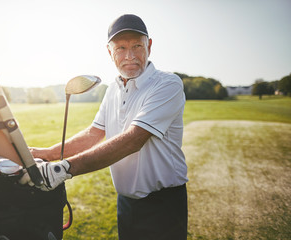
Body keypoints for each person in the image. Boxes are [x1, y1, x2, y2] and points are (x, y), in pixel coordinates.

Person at [20, 14, 188, 240]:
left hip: (163, 205)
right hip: (126, 203)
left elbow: (133, 140)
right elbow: (94, 133)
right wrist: (45, 154)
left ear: (149, 45)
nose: (129, 56)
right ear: (110, 52)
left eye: (137, 46)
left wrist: (64, 168)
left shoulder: (168, 84)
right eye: (120, 48)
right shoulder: (113, 89)